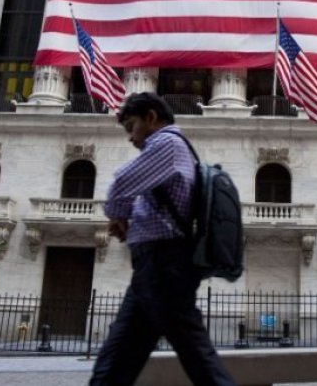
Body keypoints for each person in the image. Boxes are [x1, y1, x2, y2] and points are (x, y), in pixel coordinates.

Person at [89, 92, 236, 386]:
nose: (130, 138)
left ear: (151, 117)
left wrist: (117, 214)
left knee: (198, 358)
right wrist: (126, 217)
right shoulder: (168, 149)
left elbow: (122, 181)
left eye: (131, 126)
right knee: (116, 361)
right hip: (154, 267)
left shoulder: (167, 143)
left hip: (165, 266)